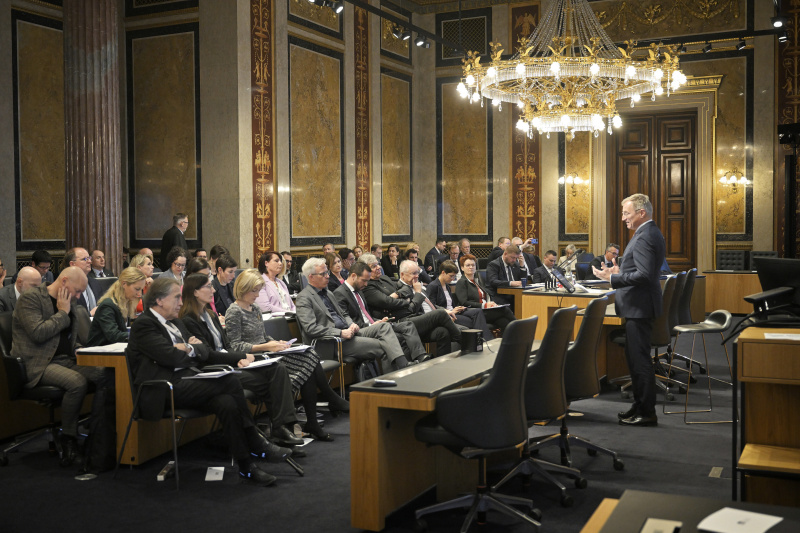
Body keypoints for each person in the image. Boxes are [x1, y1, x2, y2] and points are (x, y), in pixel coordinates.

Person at [126, 277, 286, 486]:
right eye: (176, 298)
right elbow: (171, 357)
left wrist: (189, 348)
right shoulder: (144, 324)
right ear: (159, 300)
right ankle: (255, 440)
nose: (181, 303)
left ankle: (247, 466)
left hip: (188, 380)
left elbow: (205, 352)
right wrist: (191, 349)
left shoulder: (175, 322)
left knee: (227, 403)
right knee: (229, 380)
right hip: (164, 389)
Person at [179, 273, 306, 447]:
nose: (214, 289)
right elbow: (207, 354)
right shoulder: (188, 320)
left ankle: (282, 428)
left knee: (277, 369)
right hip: (215, 370)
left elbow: (225, 345)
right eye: (209, 286)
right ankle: (279, 431)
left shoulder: (210, 314)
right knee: (272, 381)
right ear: (195, 292)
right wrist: (238, 357)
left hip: (228, 361)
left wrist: (238, 359)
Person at [11, 266, 108, 465]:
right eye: (78, 291)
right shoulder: (30, 299)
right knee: (77, 382)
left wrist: (78, 349)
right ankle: (69, 438)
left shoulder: (68, 301)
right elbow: (38, 333)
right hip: (37, 363)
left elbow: (67, 339)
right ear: (63, 281)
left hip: (64, 360)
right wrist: (63, 313)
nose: (79, 296)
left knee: (104, 374)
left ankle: (100, 434)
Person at [592, 193, 665, 427]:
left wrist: (614, 279)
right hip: (638, 306)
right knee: (634, 360)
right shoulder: (647, 232)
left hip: (639, 307)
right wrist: (618, 274)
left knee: (639, 361)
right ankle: (639, 405)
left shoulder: (644, 236)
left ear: (641, 213)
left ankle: (647, 412)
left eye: (626, 213)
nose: (623, 218)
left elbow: (645, 275)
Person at [296, 257, 408, 373]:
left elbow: (343, 314)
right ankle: (393, 379)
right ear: (311, 277)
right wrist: (340, 333)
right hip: (332, 342)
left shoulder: (328, 293)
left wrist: (351, 324)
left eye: (327, 272)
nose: (328, 276)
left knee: (384, 326)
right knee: (384, 346)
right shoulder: (304, 298)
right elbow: (310, 328)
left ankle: (402, 366)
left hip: (349, 332)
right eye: (323, 274)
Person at [332, 261, 429, 365]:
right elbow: (347, 321)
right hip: (361, 329)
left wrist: (378, 321)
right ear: (354, 276)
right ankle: (404, 365)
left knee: (407, 325)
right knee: (387, 331)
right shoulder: (340, 293)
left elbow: (366, 313)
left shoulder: (359, 289)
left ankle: (420, 358)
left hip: (374, 324)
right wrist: (372, 325)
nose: (366, 284)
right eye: (364, 281)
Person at [426, 260, 492, 339]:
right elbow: (432, 307)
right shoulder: (433, 286)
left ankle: (484, 340)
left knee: (478, 311)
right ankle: (484, 341)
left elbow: (450, 304)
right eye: (451, 276)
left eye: (454, 276)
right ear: (443, 273)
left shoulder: (446, 286)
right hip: (446, 315)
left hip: (453, 311)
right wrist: (451, 311)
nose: (453, 278)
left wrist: (457, 308)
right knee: (474, 321)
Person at [457, 254, 517, 334]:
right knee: (505, 310)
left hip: (486, 311)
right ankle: (521, 329)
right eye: (468, 265)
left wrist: (492, 303)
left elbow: (486, 297)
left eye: (473, 265)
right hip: (476, 312)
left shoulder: (476, 281)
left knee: (504, 321)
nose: (471, 267)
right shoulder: (462, 282)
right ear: (462, 268)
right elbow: (464, 302)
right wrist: (484, 305)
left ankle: (508, 344)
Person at [86, 268, 146, 346]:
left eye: (141, 290)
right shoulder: (107, 306)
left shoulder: (126, 303)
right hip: (98, 354)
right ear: (124, 284)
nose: (139, 294)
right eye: (137, 289)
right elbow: (113, 335)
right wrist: (140, 336)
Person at [62, 247, 101, 314]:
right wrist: (90, 314)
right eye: (85, 259)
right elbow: (70, 315)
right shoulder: (66, 286)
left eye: (89, 258)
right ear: (72, 264)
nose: (89, 261)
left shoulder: (95, 283)